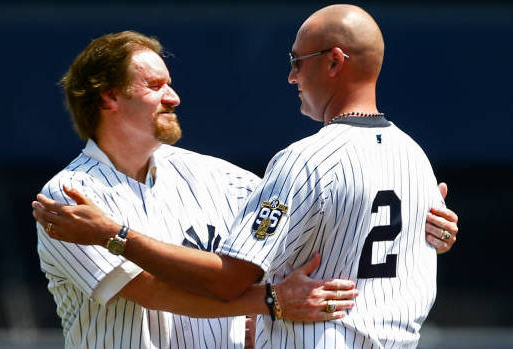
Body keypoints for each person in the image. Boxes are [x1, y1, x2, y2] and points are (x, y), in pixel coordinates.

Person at [33, 5, 460, 347]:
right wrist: (271, 301)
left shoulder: (215, 176)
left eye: (171, 83)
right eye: (156, 85)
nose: (174, 96)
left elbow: (318, 215)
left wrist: (427, 225)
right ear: (109, 96)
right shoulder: (71, 197)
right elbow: (151, 291)